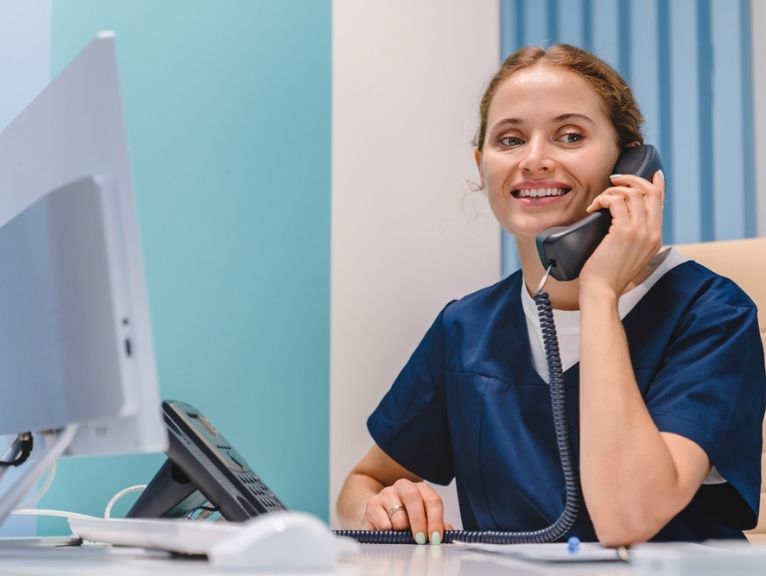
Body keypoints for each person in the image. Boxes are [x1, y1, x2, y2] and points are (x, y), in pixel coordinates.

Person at [336, 44, 766, 547]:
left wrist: (599, 292)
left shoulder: (712, 315)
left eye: (570, 135)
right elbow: (362, 483)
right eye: (511, 139)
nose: (535, 160)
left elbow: (628, 518)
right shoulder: (466, 328)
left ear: (629, 162)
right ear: (483, 165)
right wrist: (383, 508)